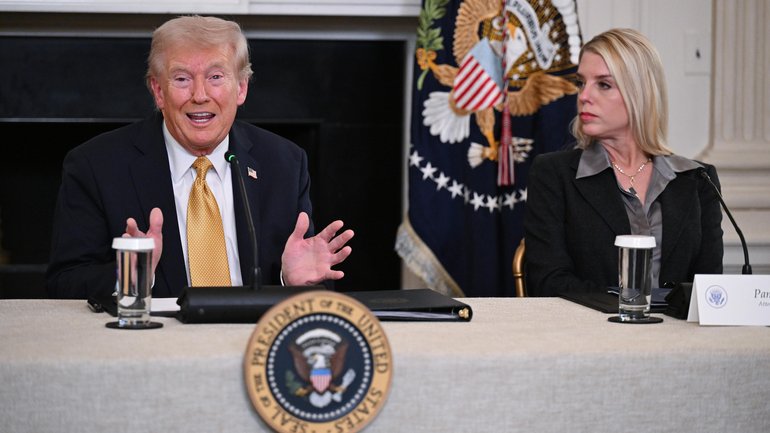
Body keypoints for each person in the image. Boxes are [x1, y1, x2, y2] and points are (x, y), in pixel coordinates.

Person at [46, 15, 354, 299]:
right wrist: (134, 274)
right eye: (181, 79)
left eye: (216, 77)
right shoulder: (96, 166)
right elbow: (64, 284)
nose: (200, 95)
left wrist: (294, 282)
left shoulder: (284, 163)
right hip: (152, 347)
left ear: (242, 88)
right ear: (158, 91)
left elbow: (308, 273)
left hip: (252, 340)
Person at [524, 28, 723, 297]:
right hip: (588, 334)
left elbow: (709, 289)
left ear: (639, 94)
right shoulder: (552, 173)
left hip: (677, 335)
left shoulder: (698, 179)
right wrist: (632, 308)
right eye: (582, 83)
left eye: (603, 85)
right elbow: (549, 282)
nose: (584, 96)